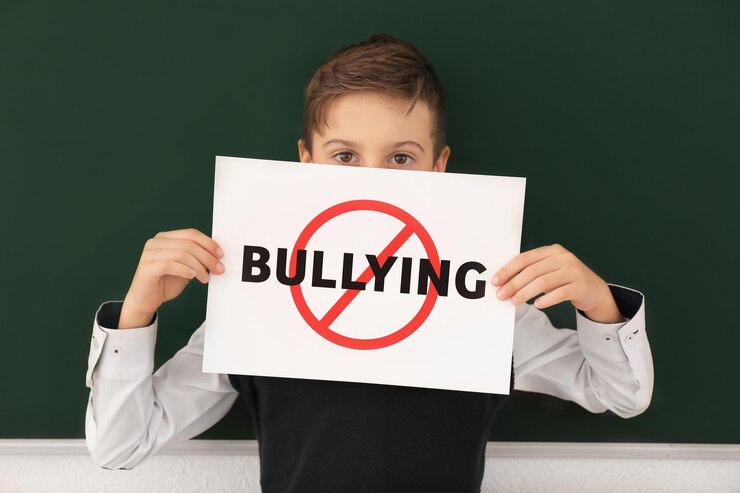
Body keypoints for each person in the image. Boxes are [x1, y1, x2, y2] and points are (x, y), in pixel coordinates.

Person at [84, 33, 653, 492]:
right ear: (305, 161)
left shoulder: (484, 304)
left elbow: (620, 394)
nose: (373, 181)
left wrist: (598, 304)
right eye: (345, 156)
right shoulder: (255, 303)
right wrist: (135, 317)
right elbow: (120, 446)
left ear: (439, 166)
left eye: (401, 157)